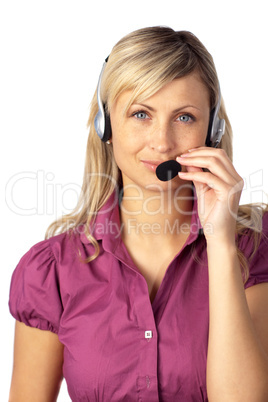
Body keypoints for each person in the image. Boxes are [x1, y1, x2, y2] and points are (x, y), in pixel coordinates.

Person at [8, 26, 268, 402]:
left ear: (211, 131)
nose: (161, 142)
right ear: (106, 126)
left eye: (184, 118)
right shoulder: (52, 270)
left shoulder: (254, 249)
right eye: (141, 114)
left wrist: (221, 243)